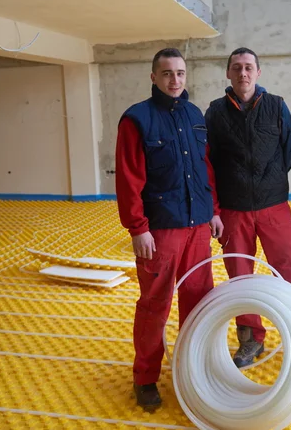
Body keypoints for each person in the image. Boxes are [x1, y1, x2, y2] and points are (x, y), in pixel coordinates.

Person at [205, 47, 291, 381]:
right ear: (228, 74)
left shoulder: (277, 106)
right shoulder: (216, 113)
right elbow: (211, 161)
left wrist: (268, 183)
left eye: (248, 67)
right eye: (236, 68)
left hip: (274, 207)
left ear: (258, 73)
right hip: (234, 210)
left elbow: (288, 151)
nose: (243, 73)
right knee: (240, 276)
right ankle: (250, 338)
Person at [115, 48, 224, 410]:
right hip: (160, 231)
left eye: (179, 73)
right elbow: (129, 180)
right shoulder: (137, 120)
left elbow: (206, 169)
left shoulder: (195, 115)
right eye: (166, 74)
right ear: (153, 78)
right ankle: (145, 377)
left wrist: (214, 211)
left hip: (197, 228)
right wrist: (137, 228)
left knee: (197, 301)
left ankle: (193, 367)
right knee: (155, 305)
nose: (174, 80)